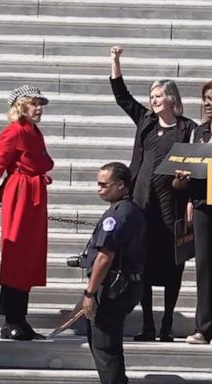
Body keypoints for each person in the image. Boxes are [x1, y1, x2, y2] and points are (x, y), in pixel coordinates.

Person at [110, 46, 197, 342]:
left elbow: (198, 168)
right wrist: (115, 61)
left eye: (159, 96)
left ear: (171, 98)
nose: (154, 101)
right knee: (142, 265)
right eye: (151, 97)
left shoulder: (188, 129)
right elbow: (122, 97)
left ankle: (167, 325)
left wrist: (189, 197)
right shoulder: (146, 123)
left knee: (173, 266)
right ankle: (147, 325)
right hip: (143, 202)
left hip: (172, 205)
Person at [0, 84, 54, 340]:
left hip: (32, 193)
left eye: (40, 104)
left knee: (28, 256)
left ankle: (20, 317)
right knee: (17, 254)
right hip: (20, 193)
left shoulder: (33, 131)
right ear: (21, 105)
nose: (39, 108)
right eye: (34, 103)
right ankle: (12, 319)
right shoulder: (14, 131)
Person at [83, 162, 146, 384]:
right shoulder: (132, 210)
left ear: (120, 185)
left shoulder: (118, 215)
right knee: (106, 345)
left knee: (105, 347)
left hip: (112, 287)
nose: (99, 189)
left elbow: (105, 256)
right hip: (127, 284)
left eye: (103, 185)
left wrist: (89, 293)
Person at [173, 81, 212, 344]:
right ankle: (204, 328)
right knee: (205, 267)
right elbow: (185, 175)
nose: (208, 104)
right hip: (203, 206)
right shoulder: (199, 133)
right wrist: (184, 185)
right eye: (206, 99)